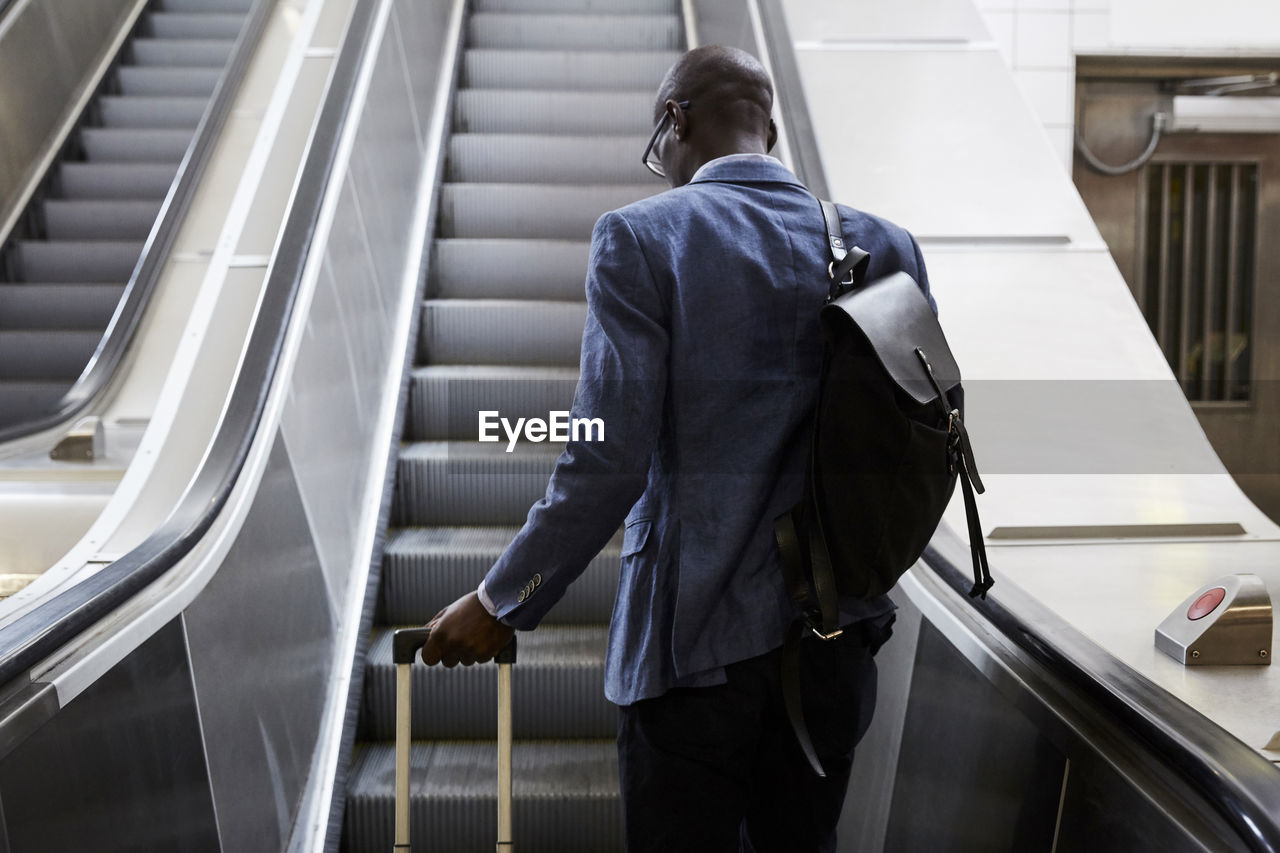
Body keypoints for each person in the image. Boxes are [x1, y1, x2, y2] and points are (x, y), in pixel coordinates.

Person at [419, 45, 936, 852]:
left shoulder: (643, 236)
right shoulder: (889, 244)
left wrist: (499, 601)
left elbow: (606, 456)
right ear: (767, 127)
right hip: (835, 645)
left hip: (693, 654)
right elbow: (915, 442)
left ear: (674, 120)